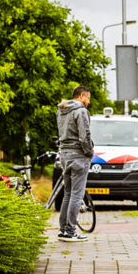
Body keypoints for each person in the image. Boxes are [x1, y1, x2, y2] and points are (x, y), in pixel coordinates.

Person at [56, 86, 95, 243]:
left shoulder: (61, 110)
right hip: (79, 155)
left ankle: (63, 230)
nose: (88, 102)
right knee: (77, 195)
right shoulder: (81, 111)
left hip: (64, 154)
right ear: (82, 96)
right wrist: (89, 152)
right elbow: (85, 136)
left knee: (67, 194)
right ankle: (71, 232)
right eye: (88, 98)